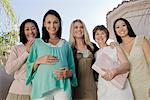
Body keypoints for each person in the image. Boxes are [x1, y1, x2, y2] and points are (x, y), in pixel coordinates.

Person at [26, 9, 78, 100]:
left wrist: (68, 73)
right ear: (44, 24)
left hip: (63, 87)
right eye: (49, 22)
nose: (52, 26)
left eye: (55, 22)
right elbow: (29, 67)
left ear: (59, 24)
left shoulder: (65, 44)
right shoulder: (37, 43)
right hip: (42, 87)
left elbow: (72, 68)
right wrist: (38, 61)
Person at [93, 25, 134, 100]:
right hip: (104, 88)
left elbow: (126, 65)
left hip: (118, 86)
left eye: (102, 33)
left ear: (107, 35)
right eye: (97, 34)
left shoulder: (114, 47)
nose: (100, 36)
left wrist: (115, 71)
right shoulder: (95, 54)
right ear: (94, 38)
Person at [113, 18, 150, 100]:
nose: (121, 29)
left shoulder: (141, 39)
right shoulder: (118, 48)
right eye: (117, 27)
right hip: (129, 89)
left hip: (147, 84)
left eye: (123, 25)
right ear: (115, 31)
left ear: (128, 26)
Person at [5, 19, 40, 100]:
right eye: (27, 29)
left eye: (33, 28)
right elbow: (9, 70)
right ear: (23, 32)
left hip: (37, 93)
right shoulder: (16, 48)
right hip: (17, 92)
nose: (30, 32)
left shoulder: (43, 48)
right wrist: (26, 52)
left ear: (37, 30)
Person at [69, 19, 98, 100]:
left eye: (81, 27)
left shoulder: (92, 46)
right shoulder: (69, 49)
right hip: (75, 89)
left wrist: (113, 44)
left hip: (92, 87)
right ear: (72, 31)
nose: (79, 29)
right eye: (76, 27)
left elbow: (103, 56)